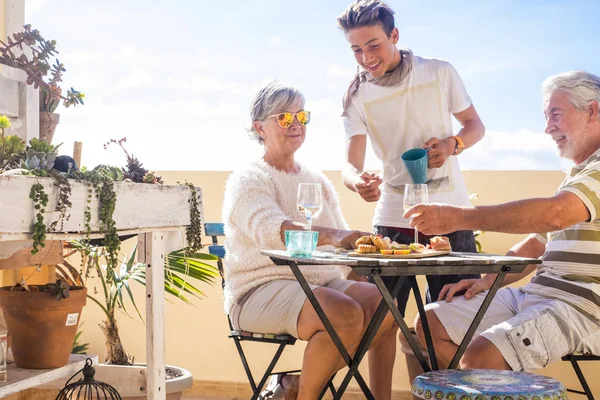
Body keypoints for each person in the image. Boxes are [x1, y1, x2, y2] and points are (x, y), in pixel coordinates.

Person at [404, 70, 600, 371]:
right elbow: (535, 244)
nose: (548, 128)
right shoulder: (578, 177)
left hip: (584, 306)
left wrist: (458, 217)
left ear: (592, 110)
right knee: (431, 324)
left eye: (555, 114)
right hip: (536, 294)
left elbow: (554, 214)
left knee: (481, 355)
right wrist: (486, 282)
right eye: (546, 117)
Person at [222, 80, 397, 399]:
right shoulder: (248, 178)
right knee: (344, 313)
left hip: (320, 281)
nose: (295, 125)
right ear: (260, 127)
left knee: (386, 306)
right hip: (259, 287)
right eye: (284, 118)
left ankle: (301, 387)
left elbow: (342, 250)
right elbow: (273, 232)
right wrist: (338, 236)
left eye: (301, 117)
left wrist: (368, 275)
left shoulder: (315, 179)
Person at [337, 0, 484, 333]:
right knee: (380, 325)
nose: (366, 57)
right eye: (356, 50)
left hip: (451, 212)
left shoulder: (438, 72)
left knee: (457, 322)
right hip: (393, 217)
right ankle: (380, 390)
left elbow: (474, 125)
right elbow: (350, 164)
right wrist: (357, 181)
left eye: (373, 45)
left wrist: (453, 145)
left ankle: (445, 387)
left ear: (395, 35)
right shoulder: (356, 96)